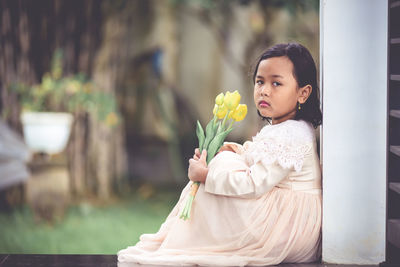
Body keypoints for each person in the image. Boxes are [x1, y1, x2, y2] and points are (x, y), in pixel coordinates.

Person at [118, 42, 323, 266]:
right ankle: (185, 238)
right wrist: (235, 151)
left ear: (303, 93)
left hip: (288, 229)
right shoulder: (290, 128)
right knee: (225, 160)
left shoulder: (290, 134)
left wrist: (205, 176)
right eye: (260, 82)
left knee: (214, 180)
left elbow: (254, 183)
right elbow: (266, 164)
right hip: (291, 222)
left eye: (276, 83)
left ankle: (186, 240)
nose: (264, 90)